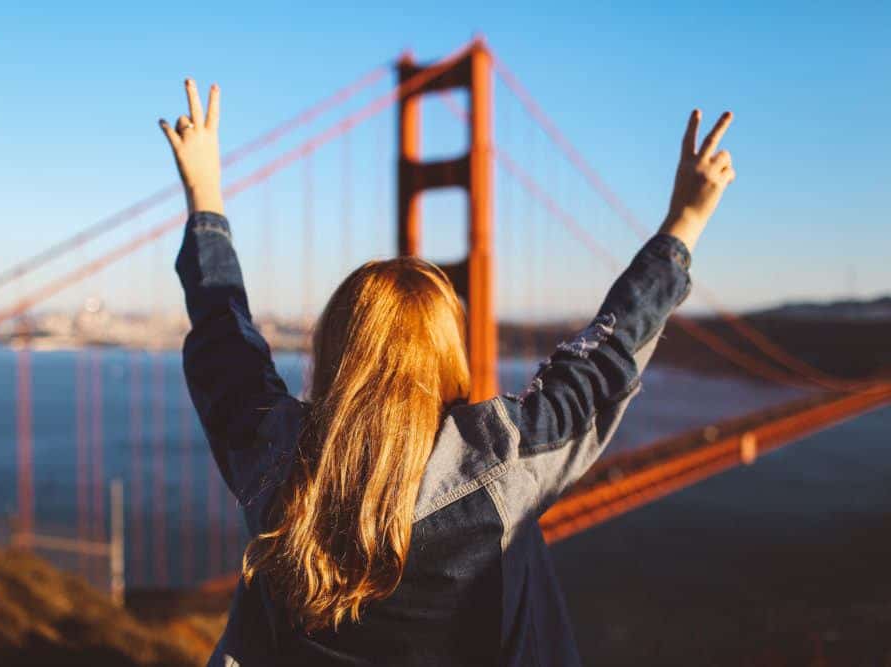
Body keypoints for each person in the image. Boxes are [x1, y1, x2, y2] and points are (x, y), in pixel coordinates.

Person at [161, 78, 735, 666]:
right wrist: (683, 223)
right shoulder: (502, 464)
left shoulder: (270, 451)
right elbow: (604, 360)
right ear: (446, 354)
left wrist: (204, 194)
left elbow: (221, 334)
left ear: (334, 350)